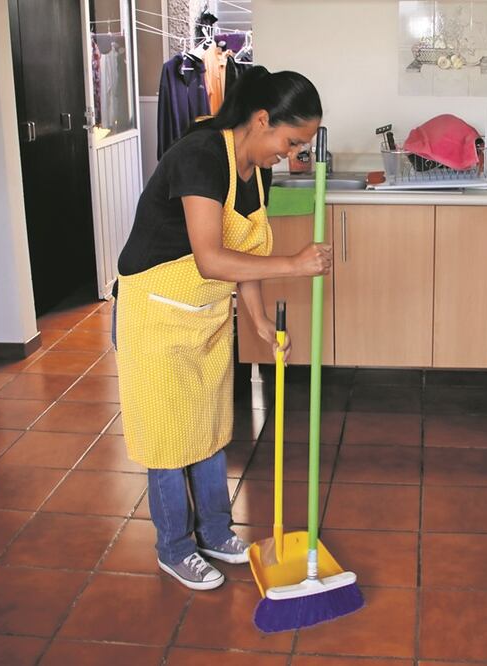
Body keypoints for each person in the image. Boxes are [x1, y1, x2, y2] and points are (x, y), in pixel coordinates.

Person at [113, 67, 330, 590]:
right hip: (155, 312)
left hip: (205, 315)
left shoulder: (259, 170)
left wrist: (258, 324)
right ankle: (175, 546)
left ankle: (214, 530)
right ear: (262, 119)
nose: (294, 153)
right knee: (168, 437)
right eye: (292, 140)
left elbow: (245, 257)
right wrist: (295, 265)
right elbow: (212, 259)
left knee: (209, 427)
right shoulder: (200, 157)